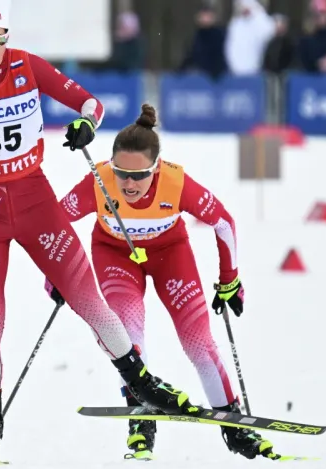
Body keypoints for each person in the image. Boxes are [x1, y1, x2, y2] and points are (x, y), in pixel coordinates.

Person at [0, 0, 197, 463]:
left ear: (6, 39)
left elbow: (91, 103)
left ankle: (143, 385)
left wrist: (85, 124)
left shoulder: (28, 66)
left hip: (36, 204)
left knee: (91, 302)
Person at [45, 104, 278, 461]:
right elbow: (54, 224)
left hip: (171, 255)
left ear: (156, 168)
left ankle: (235, 427)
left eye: (139, 175)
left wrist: (229, 280)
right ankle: (141, 419)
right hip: (116, 254)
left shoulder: (175, 182)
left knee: (198, 342)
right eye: (121, 173)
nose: (128, 183)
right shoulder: (99, 180)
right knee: (128, 333)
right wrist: (57, 274)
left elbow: (224, 223)